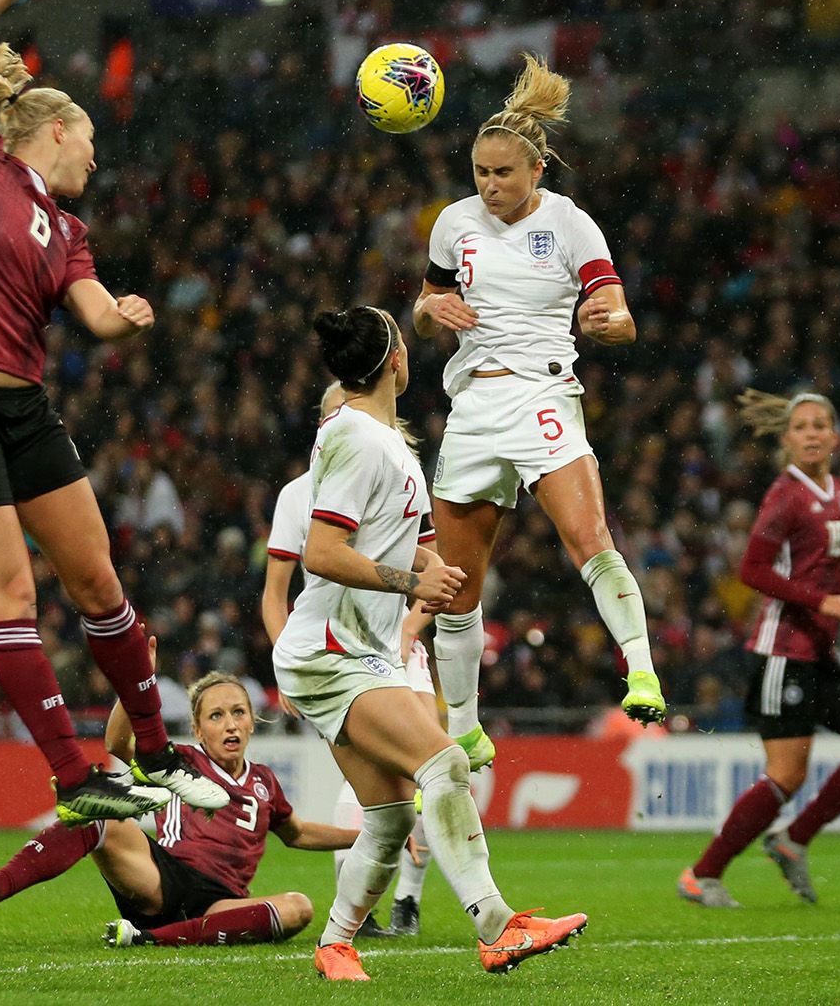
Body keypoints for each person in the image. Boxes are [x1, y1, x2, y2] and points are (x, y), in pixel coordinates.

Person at [0, 0, 223, 823]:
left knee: (100, 584)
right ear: (59, 128)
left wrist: (127, 317)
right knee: (14, 595)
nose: (97, 161)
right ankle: (76, 775)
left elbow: (94, 311)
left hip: (25, 408)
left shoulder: (69, 232)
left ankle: (155, 752)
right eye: (90, 145)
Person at [277, 306, 585, 981]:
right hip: (333, 652)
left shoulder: (383, 441)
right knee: (444, 765)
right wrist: (406, 583)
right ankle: (498, 926)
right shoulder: (359, 438)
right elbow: (323, 553)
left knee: (387, 817)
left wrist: (435, 569)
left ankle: (335, 945)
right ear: (396, 361)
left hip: (351, 651)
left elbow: (403, 543)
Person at [412, 53, 664, 772]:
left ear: (537, 172)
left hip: (543, 394)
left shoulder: (572, 225)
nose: (490, 186)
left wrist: (611, 323)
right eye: (481, 173)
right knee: (454, 585)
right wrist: (432, 309)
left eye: (504, 174)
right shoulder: (453, 226)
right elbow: (425, 310)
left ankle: (641, 670)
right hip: (473, 408)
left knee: (588, 535)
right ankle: (463, 727)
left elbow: (618, 312)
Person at [0, 669, 366, 948]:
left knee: (300, 908)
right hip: (162, 877)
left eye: (239, 713)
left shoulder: (266, 781)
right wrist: (134, 683)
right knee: (96, 812)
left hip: (224, 905)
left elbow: (297, 834)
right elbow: (117, 745)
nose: (231, 723)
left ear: (253, 721)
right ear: (198, 729)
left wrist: (371, 838)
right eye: (216, 716)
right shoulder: (177, 760)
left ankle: (149, 938)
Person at [679, 391, 840, 908]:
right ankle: (702, 873)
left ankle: (793, 840)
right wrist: (824, 600)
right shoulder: (785, 496)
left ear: (835, 437)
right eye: (802, 427)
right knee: (786, 773)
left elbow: (823, 569)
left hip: (819, 655)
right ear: (788, 439)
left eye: (821, 424)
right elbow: (752, 570)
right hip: (782, 654)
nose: (812, 433)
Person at [263, 382, 439, 938]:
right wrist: (283, 662)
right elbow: (276, 593)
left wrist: (413, 626)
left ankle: (405, 904)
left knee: (427, 779)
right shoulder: (299, 494)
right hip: (337, 648)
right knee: (423, 774)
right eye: (332, 412)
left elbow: (432, 568)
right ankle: (485, 918)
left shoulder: (401, 466)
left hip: (399, 643)